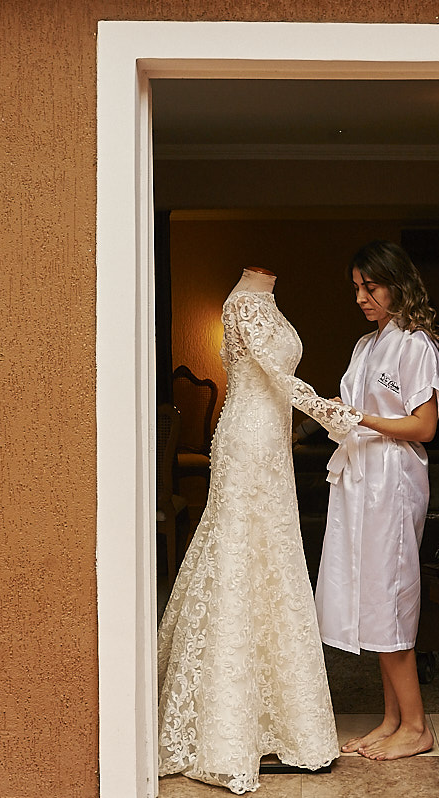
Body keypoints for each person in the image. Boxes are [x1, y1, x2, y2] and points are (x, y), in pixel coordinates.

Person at [157, 267, 362, 794]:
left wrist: (300, 426)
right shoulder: (246, 303)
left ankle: (281, 717)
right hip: (248, 440)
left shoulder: (268, 301)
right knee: (240, 557)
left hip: (269, 440)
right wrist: (331, 414)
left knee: (271, 560)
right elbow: (274, 373)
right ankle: (228, 727)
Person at [315, 241, 439, 761]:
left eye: (370, 287)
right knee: (371, 594)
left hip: (393, 479)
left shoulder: (415, 345)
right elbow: (354, 411)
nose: (361, 298)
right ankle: (392, 718)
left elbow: (424, 425)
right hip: (361, 477)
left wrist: (361, 419)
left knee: (390, 595)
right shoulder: (364, 348)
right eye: (356, 288)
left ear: (397, 285)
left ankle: (417, 727)